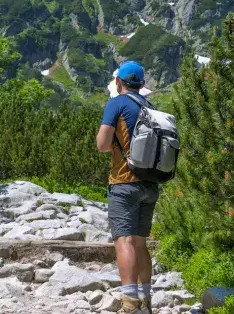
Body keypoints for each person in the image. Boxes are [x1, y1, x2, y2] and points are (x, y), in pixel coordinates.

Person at [96, 61, 159, 314]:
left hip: (124, 183)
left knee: (124, 241)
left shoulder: (116, 103)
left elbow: (102, 143)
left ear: (119, 82)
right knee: (140, 243)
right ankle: (145, 303)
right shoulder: (150, 107)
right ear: (142, 84)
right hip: (150, 184)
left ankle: (130, 304)